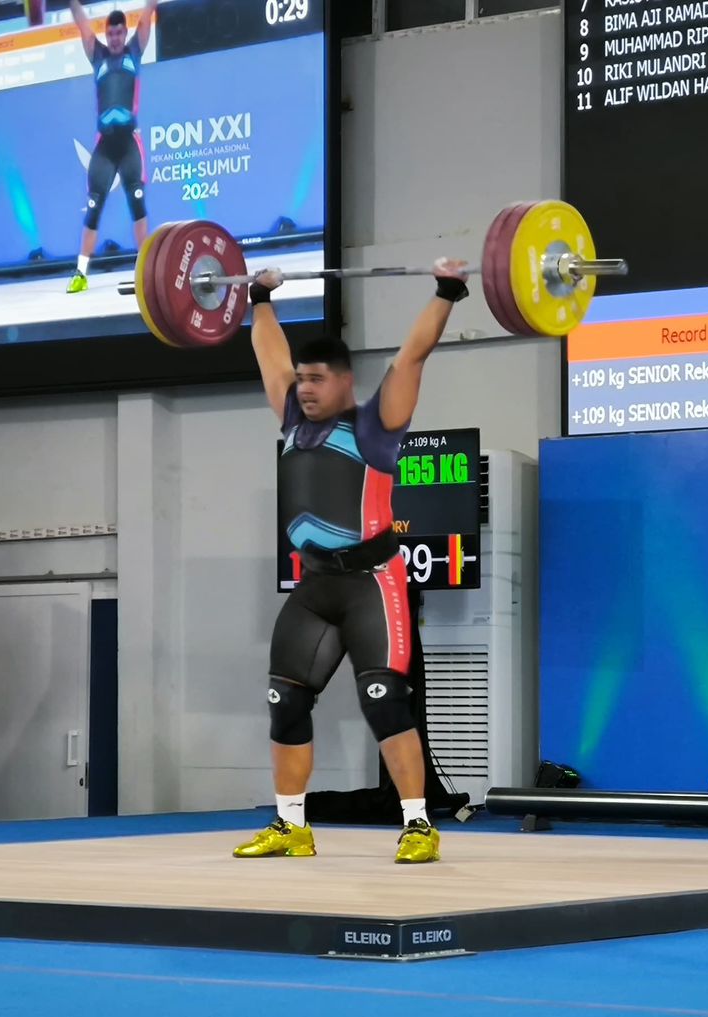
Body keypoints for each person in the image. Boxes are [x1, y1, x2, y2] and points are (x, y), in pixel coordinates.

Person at [233, 259, 471, 864]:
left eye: (316, 379)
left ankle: (418, 825)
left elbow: (412, 357)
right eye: (301, 380)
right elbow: (269, 354)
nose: (304, 389)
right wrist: (259, 299)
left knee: (384, 702)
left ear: (343, 381)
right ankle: (292, 826)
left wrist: (446, 291)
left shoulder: (375, 425)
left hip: (373, 583)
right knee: (285, 701)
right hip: (316, 588)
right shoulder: (292, 420)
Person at [66, 0, 159, 294]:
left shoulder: (135, 51)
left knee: (137, 204)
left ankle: (145, 271)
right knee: (93, 208)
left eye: (120, 33)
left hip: (129, 144)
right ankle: (81, 273)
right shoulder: (98, 56)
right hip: (105, 146)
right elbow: (81, 21)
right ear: (106, 35)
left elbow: (148, 12)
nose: (116, 39)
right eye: (111, 34)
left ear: (125, 33)